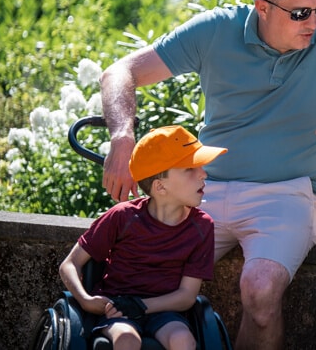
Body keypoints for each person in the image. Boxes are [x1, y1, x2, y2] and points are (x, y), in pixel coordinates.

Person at [99, 0, 316, 350]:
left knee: (260, 289)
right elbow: (120, 71)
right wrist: (121, 137)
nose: (314, 22)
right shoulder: (217, 30)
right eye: (300, 13)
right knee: (136, 277)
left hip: (289, 194)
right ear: (262, 7)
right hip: (202, 191)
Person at [59, 125, 227, 350]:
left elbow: (187, 296)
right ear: (160, 186)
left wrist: (140, 306)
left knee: (183, 341)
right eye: (190, 169)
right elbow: (70, 264)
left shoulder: (202, 226)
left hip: (165, 311)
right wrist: (86, 301)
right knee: (127, 340)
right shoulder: (123, 217)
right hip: (116, 310)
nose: (203, 173)